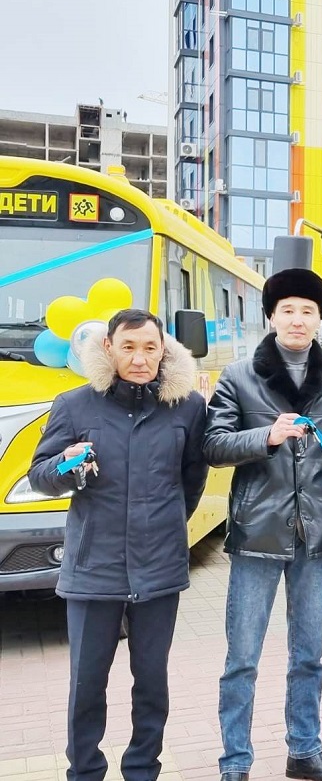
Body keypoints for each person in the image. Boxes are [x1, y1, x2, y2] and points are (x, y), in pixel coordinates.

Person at [204, 268, 322, 781]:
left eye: (308, 311)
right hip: (257, 531)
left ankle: (305, 751)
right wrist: (266, 437)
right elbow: (213, 446)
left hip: (317, 535)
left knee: (309, 655)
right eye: (288, 310)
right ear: (271, 317)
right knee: (242, 657)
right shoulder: (238, 377)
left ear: (320, 320)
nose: (298, 319)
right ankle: (235, 762)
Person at [28, 309, 208, 781]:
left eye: (150, 348)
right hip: (94, 567)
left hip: (159, 568)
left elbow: (192, 479)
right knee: (87, 682)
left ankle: (143, 768)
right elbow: (40, 476)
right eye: (128, 347)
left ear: (164, 350)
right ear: (108, 348)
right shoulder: (74, 405)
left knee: (151, 682)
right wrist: (65, 465)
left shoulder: (187, 407)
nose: (140, 358)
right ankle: (85, 770)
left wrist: (167, 526)